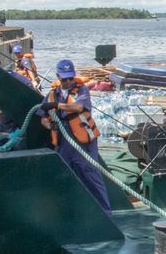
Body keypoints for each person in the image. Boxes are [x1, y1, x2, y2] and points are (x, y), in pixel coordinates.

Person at [41, 58, 113, 214]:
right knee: (65, 174)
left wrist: (56, 106)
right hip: (63, 141)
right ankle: (69, 211)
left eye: (70, 78)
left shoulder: (82, 90)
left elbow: (79, 107)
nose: (67, 81)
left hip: (83, 142)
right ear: (58, 77)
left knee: (90, 173)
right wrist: (49, 124)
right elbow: (43, 116)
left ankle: (105, 212)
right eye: (64, 78)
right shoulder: (52, 94)